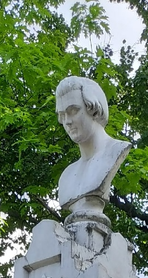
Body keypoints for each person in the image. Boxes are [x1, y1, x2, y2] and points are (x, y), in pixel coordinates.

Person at [55, 77, 130, 216]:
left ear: (94, 108)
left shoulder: (115, 151)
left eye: (73, 110)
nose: (67, 121)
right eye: (62, 115)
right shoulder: (67, 177)